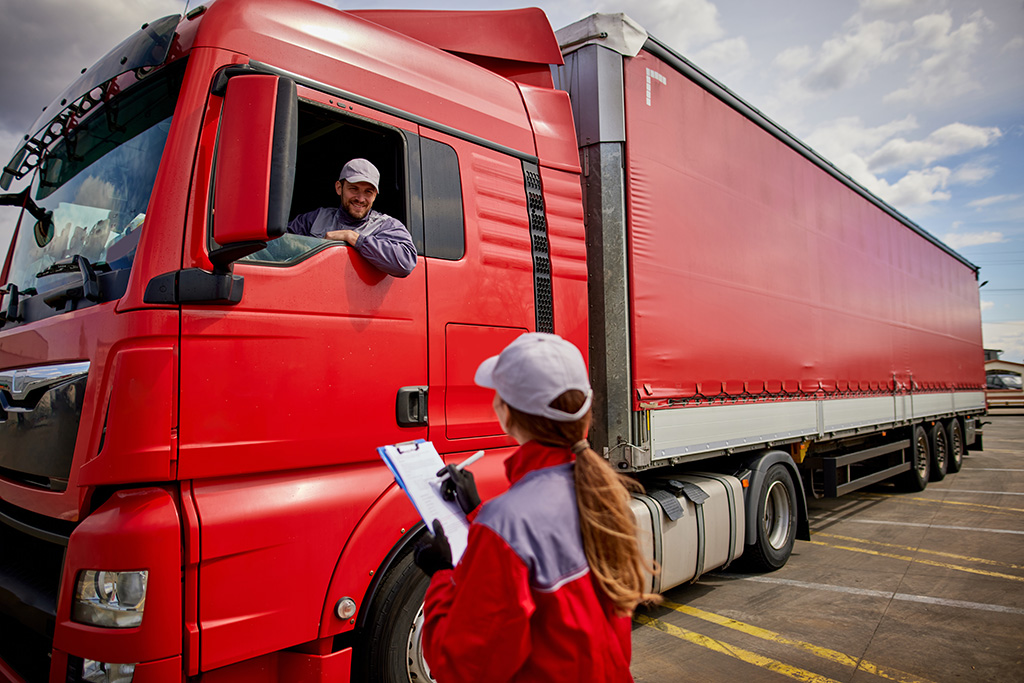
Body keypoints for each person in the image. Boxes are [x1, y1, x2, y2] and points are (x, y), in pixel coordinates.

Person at [414, 332, 659, 682]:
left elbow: (462, 668)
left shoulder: (508, 524)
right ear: (585, 410)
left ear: (506, 413)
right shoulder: (601, 492)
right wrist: (477, 512)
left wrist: (442, 576)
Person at [287, 158, 416, 277]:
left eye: (368, 192)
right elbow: (279, 243)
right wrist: (314, 248)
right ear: (339, 188)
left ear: (375, 195)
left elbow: (406, 262)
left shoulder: (386, 225)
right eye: (354, 189)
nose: (360, 199)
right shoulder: (316, 217)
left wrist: (354, 238)